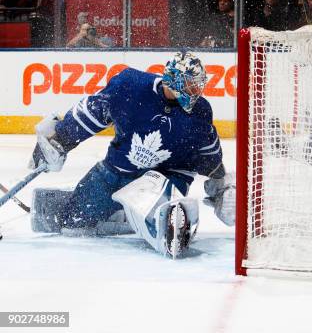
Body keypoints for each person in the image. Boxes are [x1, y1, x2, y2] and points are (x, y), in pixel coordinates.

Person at [29, 52, 235, 257]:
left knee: (166, 219)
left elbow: (208, 154)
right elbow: (90, 113)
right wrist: (59, 140)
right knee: (72, 223)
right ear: (173, 80)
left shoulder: (200, 111)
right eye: (190, 85)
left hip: (168, 176)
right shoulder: (130, 86)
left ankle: (160, 213)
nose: (196, 91)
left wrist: (220, 182)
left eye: (198, 85)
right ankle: (121, 211)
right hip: (118, 170)